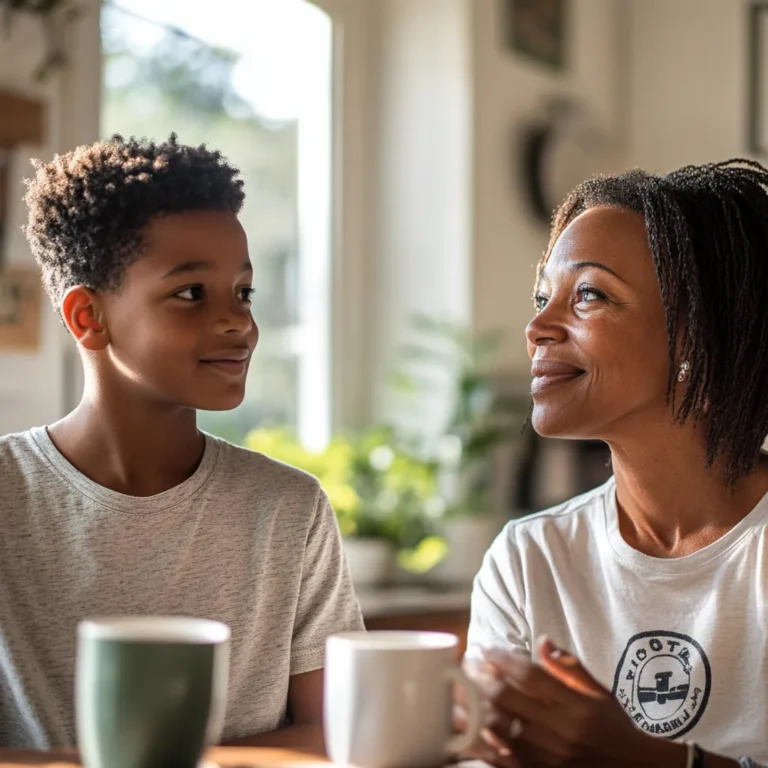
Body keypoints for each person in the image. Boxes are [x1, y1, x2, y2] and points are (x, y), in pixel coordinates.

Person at [0, 134, 363, 750]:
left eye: (243, 292)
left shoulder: (290, 508)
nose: (238, 322)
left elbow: (331, 733)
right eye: (191, 293)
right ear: (89, 317)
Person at [465, 160, 768, 767]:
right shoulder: (528, 563)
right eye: (541, 297)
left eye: (588, 295)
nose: (536, 328)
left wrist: (658, 762)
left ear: (696, 338)